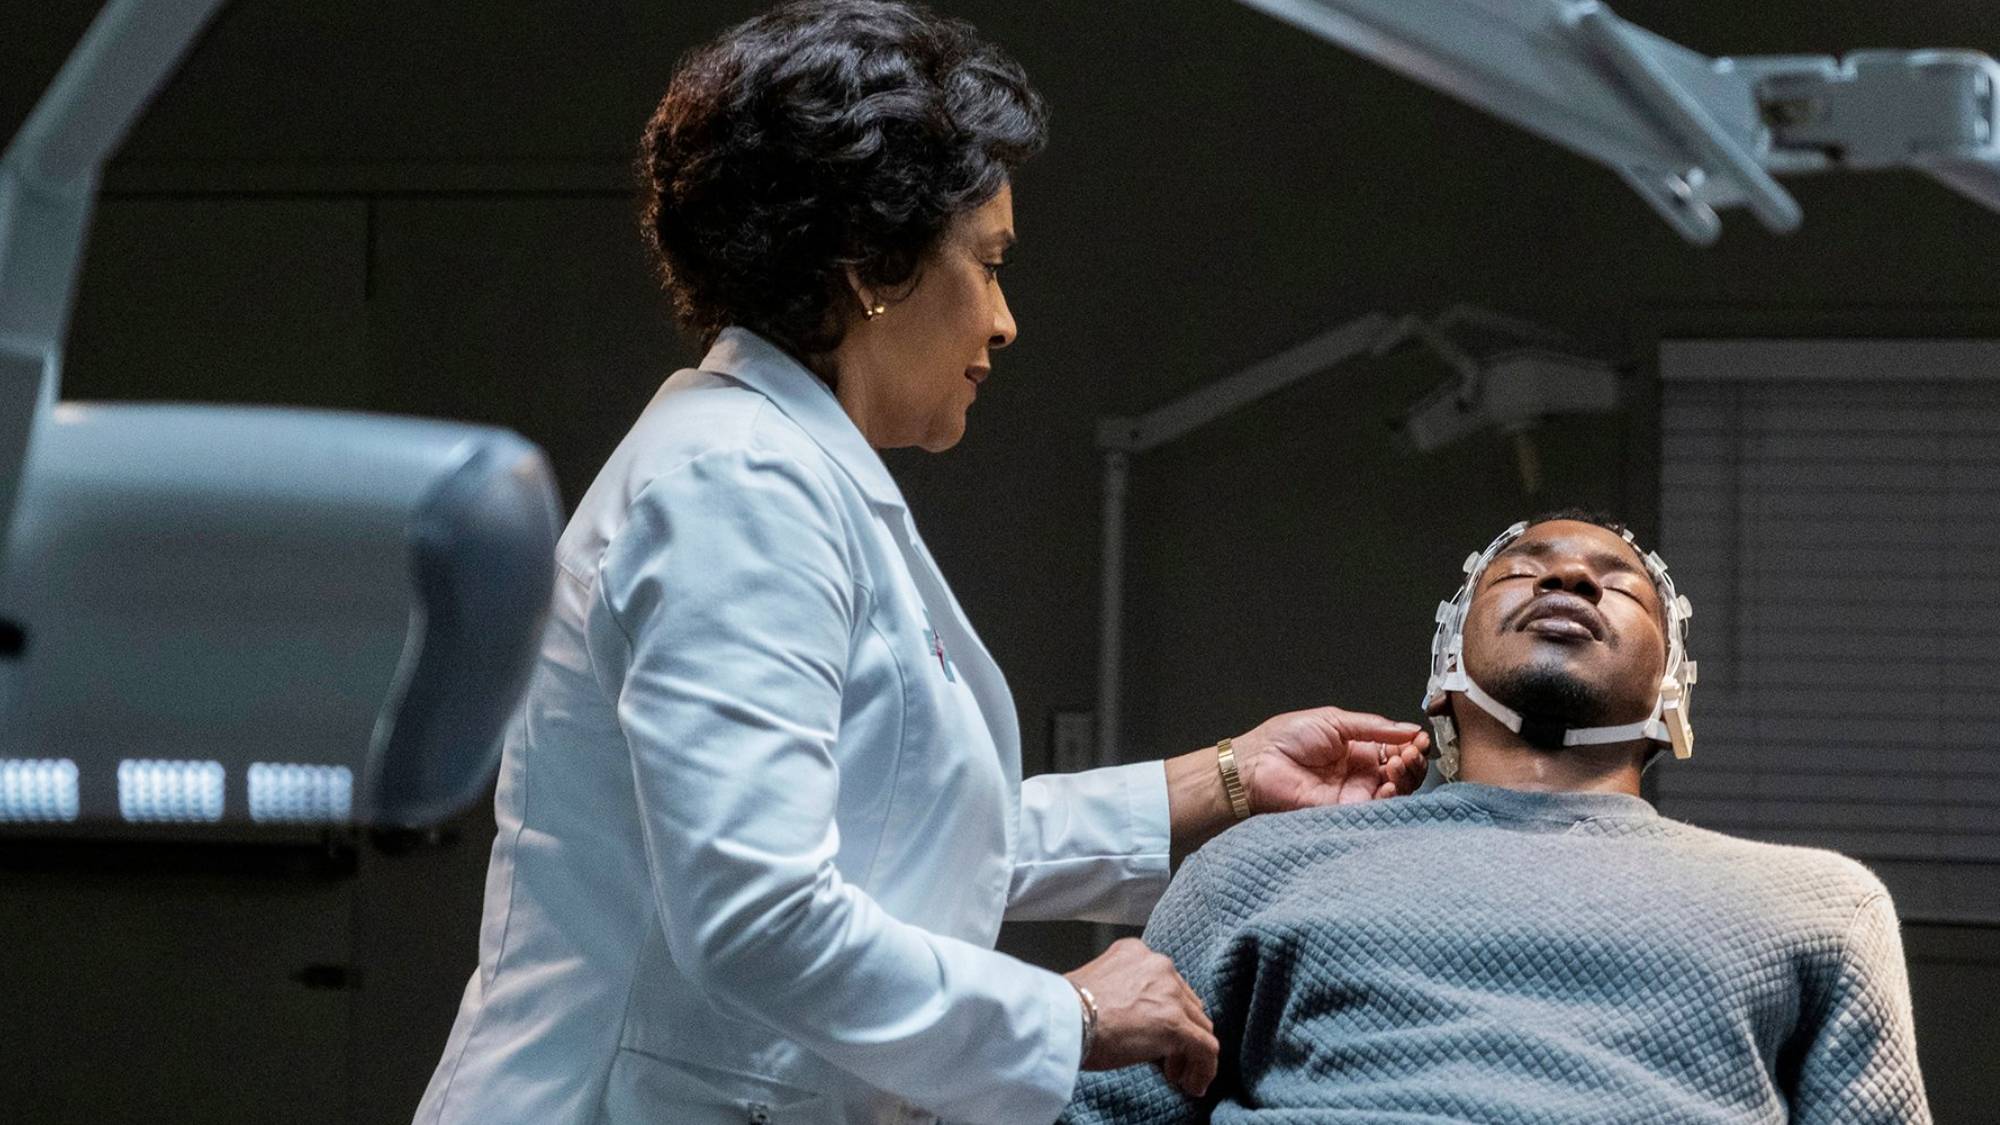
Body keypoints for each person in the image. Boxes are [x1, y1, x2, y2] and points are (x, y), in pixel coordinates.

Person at [412, 4, 1430, 1124]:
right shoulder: (736, 488)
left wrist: (1224, 780)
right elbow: (756, 917)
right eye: (987, 265)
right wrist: (1070, 1016)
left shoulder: (774, 469)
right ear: (873, 266)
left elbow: (906, 836)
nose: (1003, 321)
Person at [1064, 512, 1932, 1124]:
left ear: (1672, 693)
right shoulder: (1259, 865)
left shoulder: (1817, 906)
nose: (1570, 577)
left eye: (1618, 583)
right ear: (1445, 667)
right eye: (1522, 568)